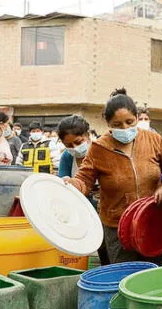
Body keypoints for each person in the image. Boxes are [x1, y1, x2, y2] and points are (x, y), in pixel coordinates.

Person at [65, 89, 162, 266]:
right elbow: (84, 178)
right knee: (123, 275)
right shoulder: (99, 148)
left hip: (152, 221)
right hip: (117, 226)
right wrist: (72, 184)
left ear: (137, 117)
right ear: (108, 124)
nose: (125, 128)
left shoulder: (153, 140)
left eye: (130, 122)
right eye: (117, 124)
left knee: (154, 273)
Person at [57, 114, 110, 266]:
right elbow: (64, 184)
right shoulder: (67, 157)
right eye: (69, 145)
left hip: (105, 211)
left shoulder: (102, 151)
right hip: (82, 212)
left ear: (87, 135)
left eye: (78, 142)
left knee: (108, 249)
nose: (74, 148)